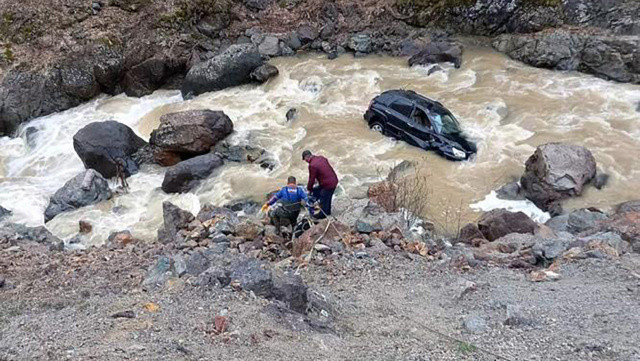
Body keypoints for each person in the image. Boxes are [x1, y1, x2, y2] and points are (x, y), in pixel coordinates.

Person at [302, 150, 338, 219]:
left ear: (307, 157)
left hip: (327, 184)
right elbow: (323, 171)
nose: (306, 161)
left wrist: (309, 188)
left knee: (324, 197)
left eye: (305, 160)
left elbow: (311, 179)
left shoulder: (312, 165)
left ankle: (323, 214)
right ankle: (328, 211)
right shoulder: (321, 158)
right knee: (327, 196)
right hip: (334, 180)